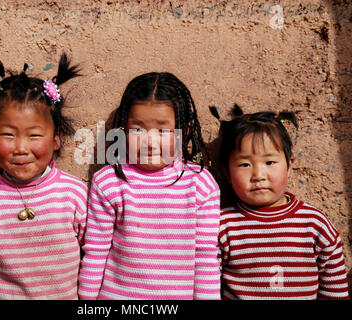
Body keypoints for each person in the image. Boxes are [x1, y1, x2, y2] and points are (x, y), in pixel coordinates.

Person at [0, 54, 88, 299]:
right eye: (8, 135)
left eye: (34, 136)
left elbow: (93, 259)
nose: (21, 148)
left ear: (56, 138)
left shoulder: (75, 195)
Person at [78, 72, 221, 300]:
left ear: (185, 128)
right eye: (138, 130)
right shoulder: (109, 183)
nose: (150, 142)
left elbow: (205, 257)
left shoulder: (200, 185)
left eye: (163, 130)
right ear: (123, 129)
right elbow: (95, 252)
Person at [212, 105, 350, 299]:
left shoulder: (315, 224)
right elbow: (204, 288)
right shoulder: (221, 226)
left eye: (269, 162)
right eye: (245, 164)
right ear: (226, 172)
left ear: (289, 165)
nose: (259, 175)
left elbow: (335, 292)